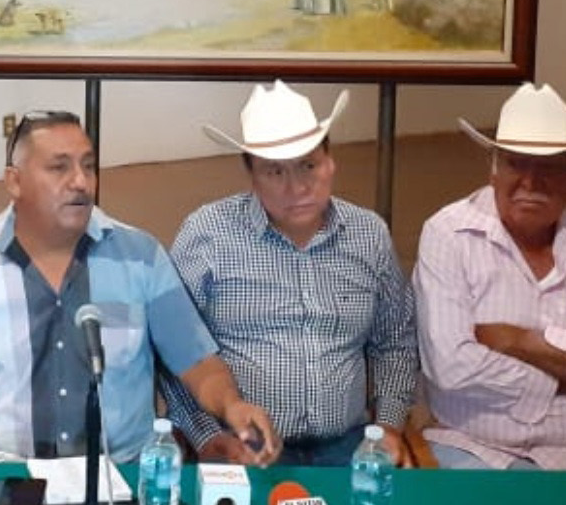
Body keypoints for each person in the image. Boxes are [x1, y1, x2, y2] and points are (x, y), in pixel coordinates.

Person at [0, 111, 280, 486]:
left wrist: (232, 405)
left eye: (89, 166)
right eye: (59, 168)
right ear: (14, 181)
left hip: (122, 481)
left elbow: (198, 363)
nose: (81, 182)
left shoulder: (140, 258)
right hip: (3, 483)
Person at [163, 83, 418, 467]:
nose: (296, 187)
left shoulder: (368, 235)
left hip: (348, 444)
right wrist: (207, 437)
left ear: (331, 162)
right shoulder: (207, 235)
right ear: (250, 174)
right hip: (241, 443)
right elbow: (175, 352)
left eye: (308, 165)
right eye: (274, 171)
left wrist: (389, 427)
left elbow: (395, 342)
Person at [414, 83, 566, 471]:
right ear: (493, 169)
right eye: (516, 163)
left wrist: (520, 341)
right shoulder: (447, 234)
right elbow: (452, 366)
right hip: (475, 446)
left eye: (551, 166)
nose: (530, 181)